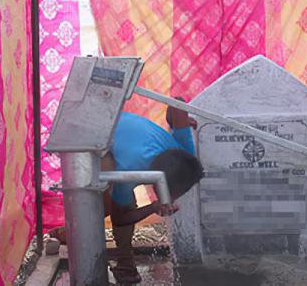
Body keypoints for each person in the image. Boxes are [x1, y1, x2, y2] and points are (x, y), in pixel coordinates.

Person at [50, 101, 203, 284]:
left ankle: (68, 233)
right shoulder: (131, 169)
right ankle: (125, 262)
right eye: (172, 193)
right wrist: (153, 206)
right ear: (159, 181)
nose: (173, 198)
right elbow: (120, 218)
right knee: (104, 205)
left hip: (111, 124)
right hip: (84, 137)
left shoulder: (185, 152)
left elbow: (178, 103)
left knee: (105, 206)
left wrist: (181, 122)